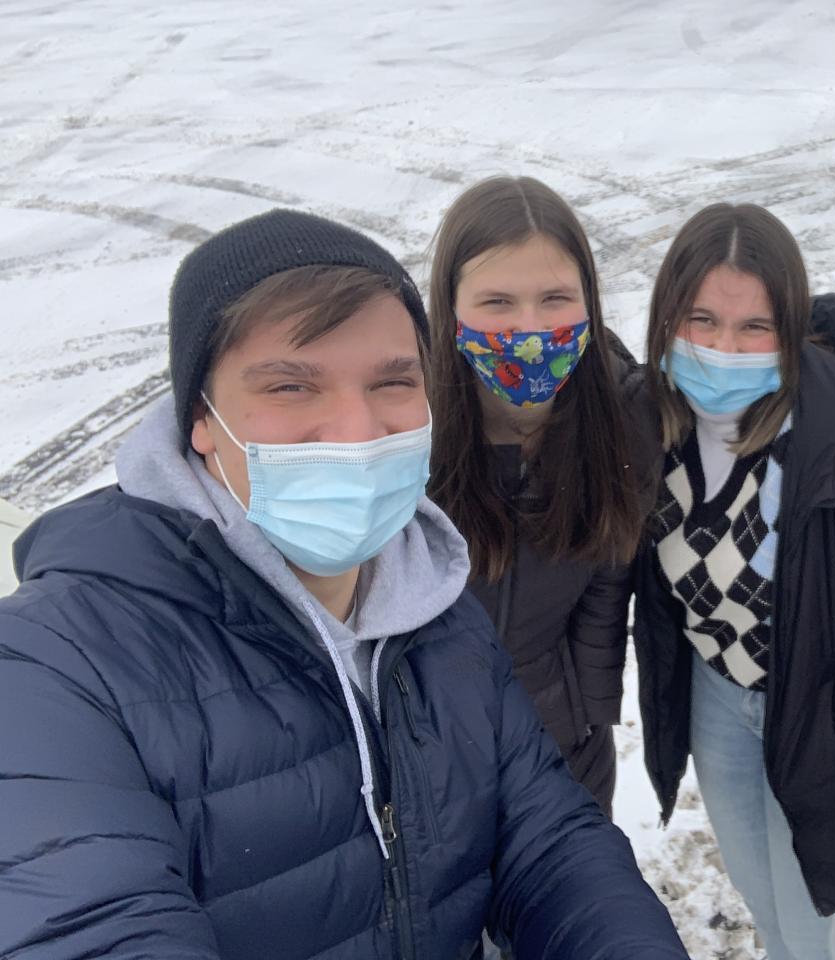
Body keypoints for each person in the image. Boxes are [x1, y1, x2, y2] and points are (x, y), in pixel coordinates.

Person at [0, 209, 690, 960]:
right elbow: (93, 926)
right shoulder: (56, 667)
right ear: (200, 415)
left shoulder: (435, 613)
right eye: (291, 385)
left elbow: (551, 845)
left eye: (393, 381)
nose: (358, 430)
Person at [633, 202, 835, 960]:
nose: (723, 349)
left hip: (817, 716)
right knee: (766, 901)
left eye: (755, 326)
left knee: (818, 928)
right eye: (702, 320)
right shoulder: (654, 420)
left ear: (792, 329)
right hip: (718, 697)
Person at [424, 176, 656, 817]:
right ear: (451, 308)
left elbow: (609, 576)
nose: (530, 330)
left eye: (555, 299)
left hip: (566, 755)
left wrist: (589, 715)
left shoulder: (621, 419)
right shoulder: (406, 428)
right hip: (432, 762)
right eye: (498, 302)